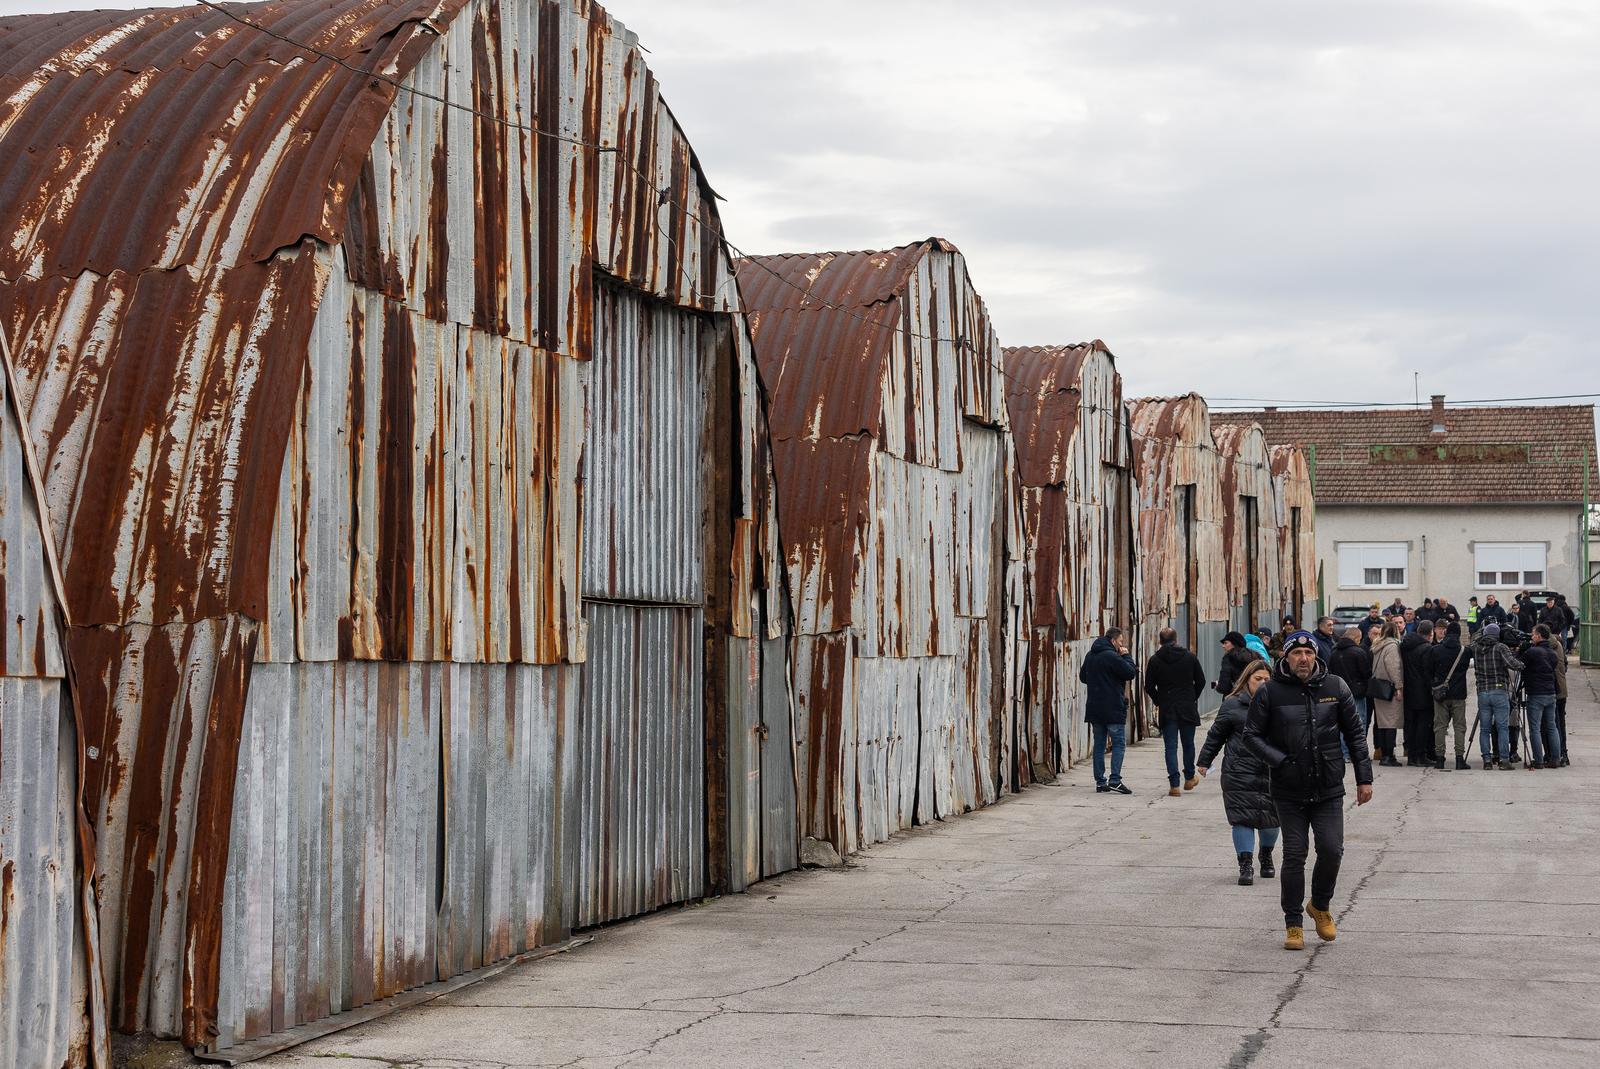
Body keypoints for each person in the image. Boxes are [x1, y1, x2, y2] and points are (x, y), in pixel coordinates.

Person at [1243, 631, 1373, 951]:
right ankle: (1293, 923)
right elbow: (1251, 736)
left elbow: (1355, 735)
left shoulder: (1335, 687)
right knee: (1294, 855)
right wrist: (1280, 761)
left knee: (1331, 850)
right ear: (1286, 657)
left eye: (1308, 652)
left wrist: (1364, 778)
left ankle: (1320, 905)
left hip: (1328, 786)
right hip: (1288, 789)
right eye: (1297, 652)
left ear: (1316, 656)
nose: (1303, 658)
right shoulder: (1270, 692)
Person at [1198, 659, 1279, 887]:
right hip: (1239, 770)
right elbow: (1216, 735)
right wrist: (1205, 760)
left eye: (1266, 679)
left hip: (1272, 769)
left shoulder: (1280, 702)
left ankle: (1266, 854)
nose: (1263, 683)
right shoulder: (1232, 704)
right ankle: (1245, 864)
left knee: (1272, 818)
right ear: (1247, 680)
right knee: (1242, 818)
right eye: (1258, 679)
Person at [1144, 628, 1207, 796]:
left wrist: (1160, 700)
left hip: (1168, 708)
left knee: (1170, 747)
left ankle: (1174, 785)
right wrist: (1192, 697)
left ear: (1160, 641)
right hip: (1187, 707)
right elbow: (1201, 681)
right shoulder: (1190, 657)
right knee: (1188, 744)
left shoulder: (1155, 660)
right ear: (1176, 639)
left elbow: (1149, 686)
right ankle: (1189, 777)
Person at [1081, 627, 1138, 794]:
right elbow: (1129, 672)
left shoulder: (1091, 655)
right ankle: (1115, 780)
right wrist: (1126, 655)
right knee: (1119, 743)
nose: (1122, 645)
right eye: (1120, 642)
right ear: (1113, 641)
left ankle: (1100, 782)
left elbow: (1083, 676)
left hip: (1095, 708)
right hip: (1113, 707)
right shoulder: (1112, 656)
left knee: (1099, 744)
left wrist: (1101, 678)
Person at [1471, 623, 1522, 770]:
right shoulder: (1500, 647)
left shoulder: (1476, 648)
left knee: (1485, 729)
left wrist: (1481, 631)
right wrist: (1523, 663)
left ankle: (1487, 760)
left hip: (1483, 692)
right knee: (1502, 728)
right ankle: (1504, 760)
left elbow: (1474, 640)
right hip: (1499, 691)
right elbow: (1514, 664)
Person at [1426, 621, 1472, 770]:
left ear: (1446, 633)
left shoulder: (1436, 650)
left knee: (1439, 726)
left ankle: (1439, 758)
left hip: (1440, 694)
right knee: (1459, 727)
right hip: (1458, 694)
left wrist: (1435, 684)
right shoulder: (1465, 651)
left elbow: (1429, 671)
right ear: (1459, 634)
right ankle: (1459, 759)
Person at [1520, 625, 1562, 770]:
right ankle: (1556, 758)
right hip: (1551, 693)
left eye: (1533, 634)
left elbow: (1520, 664)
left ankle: (1538, 760)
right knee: (1552, 727)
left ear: (1538, 636)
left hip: (1536, 694)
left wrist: (1521, 650)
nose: (1531, 637)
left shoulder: (1532, 652)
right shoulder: (1552, 653)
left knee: (1535, 729)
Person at [1400, 618, 1437, 765]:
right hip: (1422, 692)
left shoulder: (1405, 645)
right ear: (1430, 633)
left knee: (1411, 724)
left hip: (1408, 690)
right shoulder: (1427, 648)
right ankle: (1420, 756)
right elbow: (1427, 672)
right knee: (1423, 725)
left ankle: (1411, 756)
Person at [1367, 620, 1404, 766]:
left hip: (1379, 688)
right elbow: (1394, 668)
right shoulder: (1392, 646)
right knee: (1391, 723)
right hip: (1390, 689)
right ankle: (1389, 756)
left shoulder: (1377, 645)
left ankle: (1383, 753)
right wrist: (1399, 687)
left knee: (1382, 723)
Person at [1327, 627, 1371, 748]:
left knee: (1341, 722)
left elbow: (1330, 671)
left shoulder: (1334, 651)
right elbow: (1366, 673)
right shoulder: (1359, 652)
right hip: (1357, 692)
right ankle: (1355, 750)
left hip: (1339, 691)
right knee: (1358, 722)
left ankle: (1344, 752)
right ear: (1356, 638)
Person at [1550, 630, 1571, 766]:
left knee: (1554, 723)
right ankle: (1563, 753)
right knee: (1560, 723)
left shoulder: (1551, 646)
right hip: (1561, 690)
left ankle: (1557, 754)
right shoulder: (1559, 645)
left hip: (1554, 690)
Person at [1216, 631, 1257, 698]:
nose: (1223, 646)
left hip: (1234, 697)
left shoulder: (1228, 658)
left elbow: (1224, 686)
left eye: (1226, 643)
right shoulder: (1254, 655)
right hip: (1253, 696)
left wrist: (1218, 686)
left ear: (1235, 644)